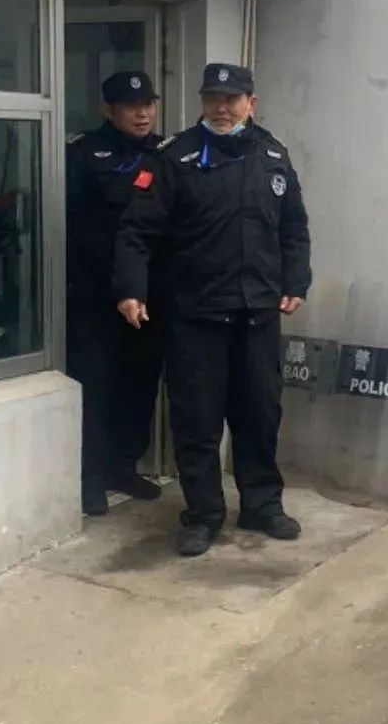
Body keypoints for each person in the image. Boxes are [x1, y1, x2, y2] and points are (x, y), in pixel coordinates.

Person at [114, 63, 311, 557]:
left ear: (251, 103)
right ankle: (203, 514)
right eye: (212, 99)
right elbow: (137, 231)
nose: (221, 108)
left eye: (231, 99)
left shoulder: (272, 155)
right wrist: (131, 289)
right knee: (198, 422)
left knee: (259, 416)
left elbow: (293, 227)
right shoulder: (174, 157)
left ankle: (262, 505)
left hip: (257, 313)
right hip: (195, 315)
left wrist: (295, 280)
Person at [65, 71, 167, 516]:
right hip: (97, 295)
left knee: (139, 383)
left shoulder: (167, 153)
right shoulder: (84, 154)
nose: (142, 114)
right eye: (131, 107)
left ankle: (123, 466)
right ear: (109, 110)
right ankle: (90, 479)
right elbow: (70, 224)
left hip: (149, 294)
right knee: (96, 386)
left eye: (148, 105)